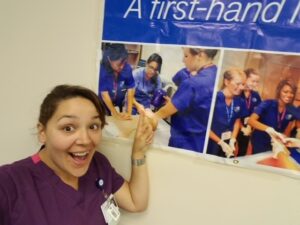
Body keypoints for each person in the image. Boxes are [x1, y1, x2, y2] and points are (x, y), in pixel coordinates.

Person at [0, 85, 153, 225]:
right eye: (68, 128)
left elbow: (135, 202)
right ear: (42, 133)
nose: (85, 140)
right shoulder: (9, 183)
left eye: (93, 126)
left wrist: (138, 152)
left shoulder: (98, 164)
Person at [146, 48, 218, 153]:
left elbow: (162, 113)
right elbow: (195, 106)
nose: (183, 60)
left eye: (186, 56)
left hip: (185, 142)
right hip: (199, 142)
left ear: (200, 56)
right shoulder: (214, 73)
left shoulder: (192, 83)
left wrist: (152, 116)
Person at [248, 79, 297, 156]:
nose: (289, 95)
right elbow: (251, 121)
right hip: (260, 141)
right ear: (279, 91)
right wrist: (268, 129)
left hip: (276, 144)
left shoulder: (292, 109)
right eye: (285, 92)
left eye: (292, 93)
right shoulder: (267, 104)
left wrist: (284, 141)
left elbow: (287, 131)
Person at [207, 68, 247, 158]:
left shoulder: (239, 101)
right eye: (238, 84)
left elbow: (237, 121)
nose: (241, 87)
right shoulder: (213, 99)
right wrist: (220, 142)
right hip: (211, 142)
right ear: (227, 82)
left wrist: (233, 139)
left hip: (228, 142)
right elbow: (204, 126)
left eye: (243, 84)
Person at [98, 43, 135, 120]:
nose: (121, 67)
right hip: (103, 104)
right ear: (109, 59)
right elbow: (104, 94)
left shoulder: (127, 68)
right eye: (118, 64)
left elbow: (130, 89)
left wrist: (129, 112)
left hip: (118, 103)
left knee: (121, 120)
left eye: (123, 63)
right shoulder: (102, 70)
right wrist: (115, 114)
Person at [236, 68, 262, 156]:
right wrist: (241, 127)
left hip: (247, 129)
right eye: (253, 81)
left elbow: (258, 113)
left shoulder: (256, 95)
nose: (255, 84)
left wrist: (250, 127)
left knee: (242, 153)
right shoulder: (237, 92)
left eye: (257, 82)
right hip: (235, 127)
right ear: (245, 78)